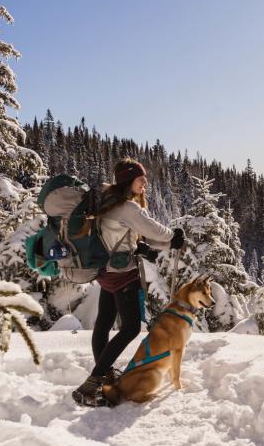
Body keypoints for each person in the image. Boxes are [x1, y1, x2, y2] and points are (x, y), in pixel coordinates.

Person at [72, 158, 185, 405]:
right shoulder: (128, 208)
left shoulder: (108, 203)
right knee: (131, 328)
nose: (145, 182)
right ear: (128, 181)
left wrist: (153, 245)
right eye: (140, 179)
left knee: (103, 324)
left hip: (106, 271)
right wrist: (173, 236)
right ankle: (91, 385)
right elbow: (155, 230)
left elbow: (128, 236)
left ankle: (105, 375)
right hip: (123, 275)